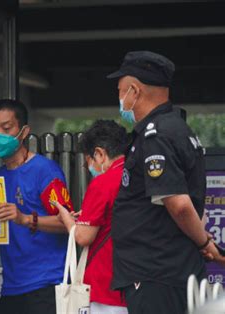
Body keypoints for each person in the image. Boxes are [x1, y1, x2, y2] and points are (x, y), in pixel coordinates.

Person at [106, 50, 222, 314]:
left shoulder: (156, 135)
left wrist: (204, 243)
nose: (120, 99)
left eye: (120, 90)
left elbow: (179, 203)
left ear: (134, 91)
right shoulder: (177, 128)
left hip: (156, 273)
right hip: (168, 270)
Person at [0, 99, 74, 314]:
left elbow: (69, 223)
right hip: (11, 286)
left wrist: (25, 219)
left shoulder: (45, 171)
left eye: (7, 128)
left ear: (24, 131)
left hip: (46, 283)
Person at [54, 120, 128, 314]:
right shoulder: (138, 176)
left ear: (99, 154)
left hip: (106, 286)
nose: (89, 168)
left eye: (88, 161)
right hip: (136, 285)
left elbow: (83, 237)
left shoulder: (103, 182)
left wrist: (66, 218)